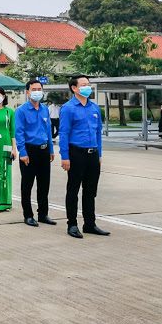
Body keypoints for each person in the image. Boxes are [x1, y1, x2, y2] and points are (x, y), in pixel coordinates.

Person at [59, 75, 109, 239]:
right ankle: (72, 224)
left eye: (88, 84)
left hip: (92, 154)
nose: (88, 87)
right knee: (73, 190)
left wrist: (99, 153)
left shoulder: (94, 108)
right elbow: (64, 133)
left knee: (90, 191)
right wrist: (65, 156)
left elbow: (98, 132)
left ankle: (89, 224)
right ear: (74, 88)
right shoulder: (68, 108)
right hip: (76, 153)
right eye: (84, 84)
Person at [15, 80, 56, 226]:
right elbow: (19, 133)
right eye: (34, 89)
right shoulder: (21, 111)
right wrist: (23, 152)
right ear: (27, 92)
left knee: (44, 184)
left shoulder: (45, 109)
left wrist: (51, 149)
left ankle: (43, 214)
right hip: (29, 150)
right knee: (27, 185)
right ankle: (28, 215)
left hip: (44, 150)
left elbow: (47, 130)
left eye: (39, 89)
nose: (37, 91)